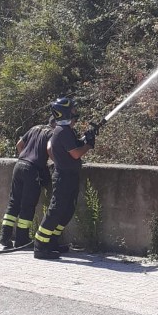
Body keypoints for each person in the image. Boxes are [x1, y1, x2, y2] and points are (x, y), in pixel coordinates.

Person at [33, 96, 97, 260]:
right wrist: (88, 145)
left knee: (67, 210)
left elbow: (74, 146)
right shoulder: (62, 131)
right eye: (73, 110)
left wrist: (86, 138)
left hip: (70, 176)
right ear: (65, 113)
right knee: (56, 210)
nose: (76, 112)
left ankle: (52, 241)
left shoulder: (66, 131)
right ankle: (40, 245)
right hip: (63, 177)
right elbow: (75, 153)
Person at [0, 114, 56, 250]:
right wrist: (56, 162)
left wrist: (25, 157)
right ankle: (21, 239)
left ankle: (4, 236)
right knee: (28, 205)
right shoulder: (53, 133)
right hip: (33, 170)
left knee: (14, 202)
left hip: (19, 165)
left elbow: (19, 145)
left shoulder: (35, 128)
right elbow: (50, 150)